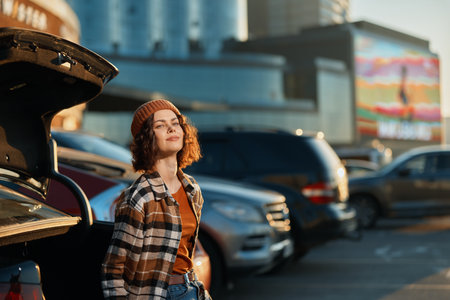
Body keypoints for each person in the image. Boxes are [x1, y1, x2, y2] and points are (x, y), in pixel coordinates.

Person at [101, 99, 211, 299]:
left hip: (193, 288)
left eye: (175, 123)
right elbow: (114, 269)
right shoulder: (138, 196)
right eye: (160, 125)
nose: (171, 129)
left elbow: (185, 253)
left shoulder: (192, 189)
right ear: (147, 138)